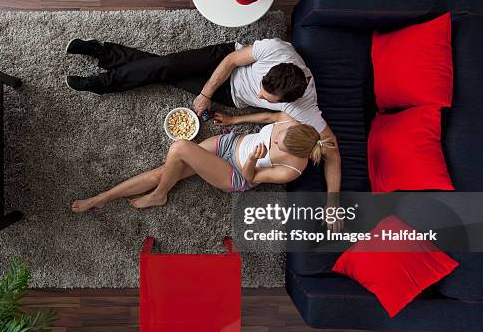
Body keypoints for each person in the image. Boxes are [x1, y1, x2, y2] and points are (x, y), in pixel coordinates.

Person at [66, 38, 342, 228]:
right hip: (226, 89)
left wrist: (333, 202)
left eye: (267, 97)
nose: (259, 95)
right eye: (262, 88)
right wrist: (224, 112)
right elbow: (236, 64)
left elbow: (332, 151)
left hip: (234, 145)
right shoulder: (279, 52)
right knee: (167, 66)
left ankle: (102, 83)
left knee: (177, 148)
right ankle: (104, 53)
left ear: (290, 102)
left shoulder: (304, 117)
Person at [72, 112, 335, 212]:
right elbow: (269, 118)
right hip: (230, 143)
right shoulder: (291, 121)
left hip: (237, 174)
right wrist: (234, 121)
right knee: (165, 168)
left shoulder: (292, 170)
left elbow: (252, 178)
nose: (274, 141)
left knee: (179, 147)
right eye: (279, 137)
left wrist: (254, 159)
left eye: (278, 147)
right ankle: (101, 198)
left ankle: (159, 194)